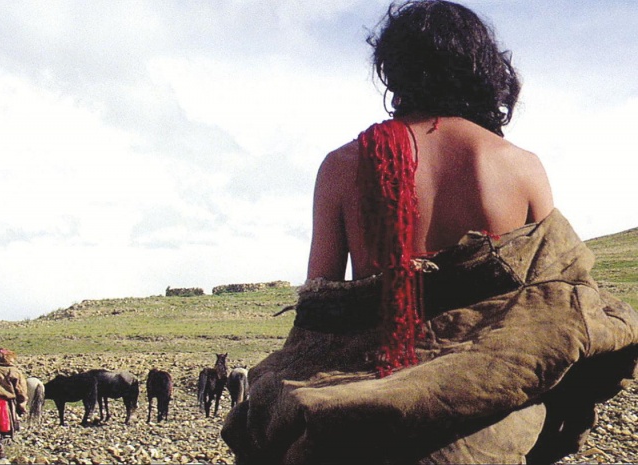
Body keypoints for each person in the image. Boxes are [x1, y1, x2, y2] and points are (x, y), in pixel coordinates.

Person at [221, 1, 638, 464]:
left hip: (352, 424)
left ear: (392, 68)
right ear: (481, 68)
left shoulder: (340, 167)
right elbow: (557, 304)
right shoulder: (519, 166)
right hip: (481, 432)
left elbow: (319, 317)